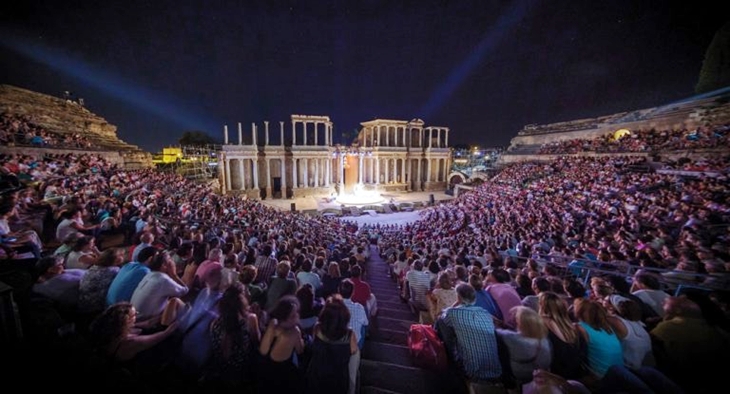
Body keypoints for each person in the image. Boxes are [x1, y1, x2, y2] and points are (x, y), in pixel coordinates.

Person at [435, 283, 502, 384]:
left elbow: (440, 317)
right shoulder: (485, 313)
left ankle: (444, 357)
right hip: (496, 372)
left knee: (441, 322)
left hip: (470, 371)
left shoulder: (452, 313)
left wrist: (456, 304)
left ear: (458, 297)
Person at [201, 282, 260, 391]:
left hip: (219, 369)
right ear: (242, 300)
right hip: (242, 371)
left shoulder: (215, 322)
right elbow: (256, 341)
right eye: (247, 292)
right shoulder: (250, 319)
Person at [306, 294, 360, 394]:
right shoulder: (350, 335)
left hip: (317, 376)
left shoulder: (317, 328)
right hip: (338, 380)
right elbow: (354, 354)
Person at [496, 306, 552, 388]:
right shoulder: (544, 339)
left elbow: (495, 332)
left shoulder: (513, 338)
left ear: (521, 323)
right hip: (541, 372)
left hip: (521, 375)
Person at [257, 295, 305, 394]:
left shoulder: (272, 323)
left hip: (263, 372)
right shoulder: (295, 332)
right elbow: (300, 351)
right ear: (290, 317)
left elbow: (263, 351)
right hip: (281, 377)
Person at [538, 291, 587, 381]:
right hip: (577, 375)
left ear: (542, 307)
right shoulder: (575, 328)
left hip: (557, 376)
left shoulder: (543, 322)